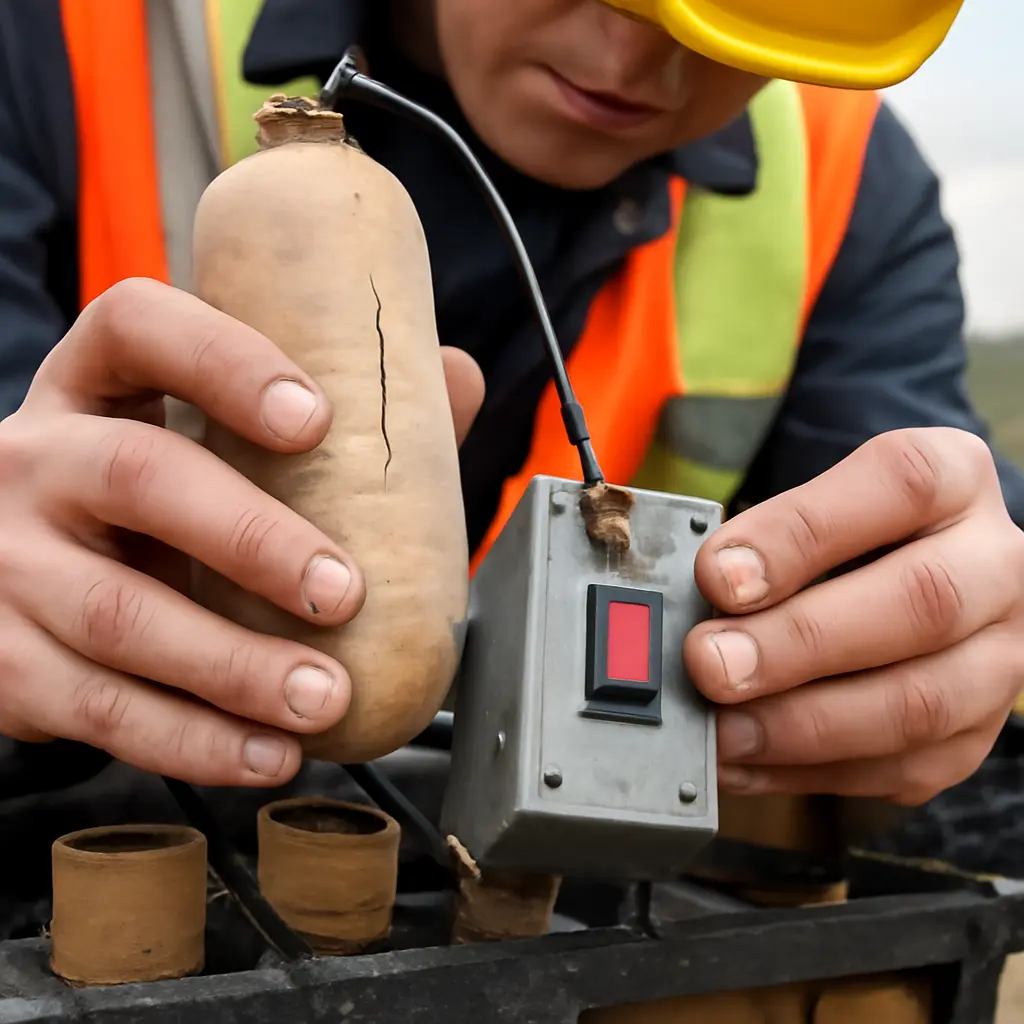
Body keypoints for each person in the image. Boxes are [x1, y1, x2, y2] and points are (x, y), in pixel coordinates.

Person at [0, 0, 1022, 819]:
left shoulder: (850, 187)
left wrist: (962, 629)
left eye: (718, 20)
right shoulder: (59, 35)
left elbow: (934, 559)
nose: (634, 59)